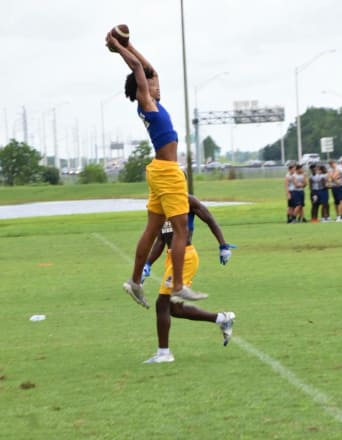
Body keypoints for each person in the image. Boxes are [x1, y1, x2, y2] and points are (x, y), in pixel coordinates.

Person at [105, 30, 203, 306]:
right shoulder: (146, 102)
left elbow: (149, 69)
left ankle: (135, 281)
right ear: (142, 90)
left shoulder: (153, 102)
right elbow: (139, 69)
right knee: (181, 228)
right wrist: (117, 47)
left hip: (159, 171)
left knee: (152, 229)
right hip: (168, 172)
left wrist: (128, 44)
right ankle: (180, 286)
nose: (157, 85)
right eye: (151, 84)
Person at [140, 195, 237, 363]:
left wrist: (223, 245)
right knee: (174, 309)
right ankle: (222, 318)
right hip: (172, 257)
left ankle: (164, 354)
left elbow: (209, 219)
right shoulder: (161, 204)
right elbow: (161, 240)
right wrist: (147, 264)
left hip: (185, 256)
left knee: (161, 303)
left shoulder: (187, 200)